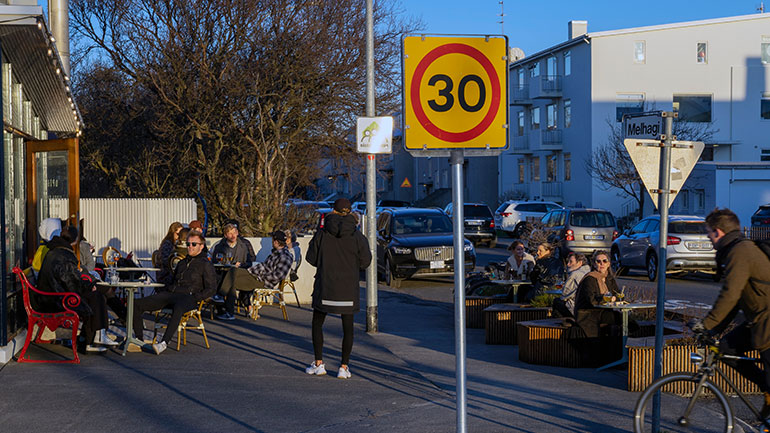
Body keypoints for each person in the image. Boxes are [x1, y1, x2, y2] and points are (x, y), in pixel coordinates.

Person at [691, 208, 770, 417]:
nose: (708, 237)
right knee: (725, 348)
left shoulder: (740, 252)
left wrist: (706, 325)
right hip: (759, 321)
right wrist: (713, 330)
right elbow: (736, 301)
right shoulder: (736, 250)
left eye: (708, 232)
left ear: (718, 232)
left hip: (768, 323)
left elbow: (730, 293)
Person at [305, 198, 371, 379]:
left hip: (325, 286)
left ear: (332, 211)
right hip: (348, 288)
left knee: (317, 324)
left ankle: (319, 363)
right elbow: (366, 261)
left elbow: (310, 258)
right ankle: (343, 366)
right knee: (347, 328)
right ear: (350, 212)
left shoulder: (323, 233)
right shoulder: (358, 237)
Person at [132, 232, 217, 355]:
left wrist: (197, 297)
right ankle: (139, 340)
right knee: (136, 304)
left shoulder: (205, 264)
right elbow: (172, 280)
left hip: (189, 297)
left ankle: (164, 343)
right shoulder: (182, 263)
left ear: (201, 246)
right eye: (188, 244)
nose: (190, 247)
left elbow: (212, 288)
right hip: (172, 293)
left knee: (178, 307)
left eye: (194, 244)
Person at [36, 226, 111, 353]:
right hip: (54, 300)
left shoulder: (55, 250)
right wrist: (88, 286)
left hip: (49, 296)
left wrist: (88, 285)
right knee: (95, 296)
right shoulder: (64, 254)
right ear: (75, 240)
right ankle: (90, 340)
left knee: (97, 293)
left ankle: (93, 338)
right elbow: (71, 281)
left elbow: (69, 278)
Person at [210, 223, 257, 320]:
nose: (233, 235)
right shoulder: (219, 246)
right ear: (225, 235)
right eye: (230, 233)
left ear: (237, 233)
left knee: (232, 280)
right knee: (229, 282)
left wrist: (241, 264)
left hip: (238, 274)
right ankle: (227, 312)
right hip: (222, 272)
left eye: (234, 233)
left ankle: (223, 304)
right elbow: (215, 261)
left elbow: (249, 262)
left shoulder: (243, 246)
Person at [573, 250, 620, 338]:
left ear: (608, 264)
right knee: (616, 319)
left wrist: (616, 298)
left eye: (604, 261)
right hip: (587, 313)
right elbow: (592, 300)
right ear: (594, 264)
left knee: (625, 321)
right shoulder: (590, 279)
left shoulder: (609, 279)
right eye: (598, 261)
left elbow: (618, 295)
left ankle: (628, 346)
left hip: (602, 311)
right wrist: (607, 298)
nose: (602, 264)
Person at [552, 252, 590, 318]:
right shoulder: (589, 272)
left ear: (580, 263)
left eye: (571, 262)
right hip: (586, 307)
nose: (568, 264)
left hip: (576, 308)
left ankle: (560, 324)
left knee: (557, 301)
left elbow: (564, 294)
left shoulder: (574, 274)